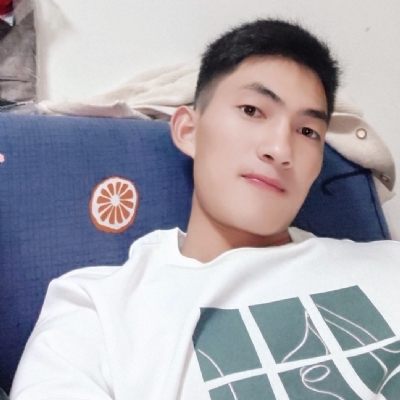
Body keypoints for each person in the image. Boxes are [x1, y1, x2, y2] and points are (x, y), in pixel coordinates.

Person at [10, 19, 400, 400]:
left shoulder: (388, 263)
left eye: (308, 131)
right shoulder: (97, 311)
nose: (280, 149)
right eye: (252, 110)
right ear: (189, 131)